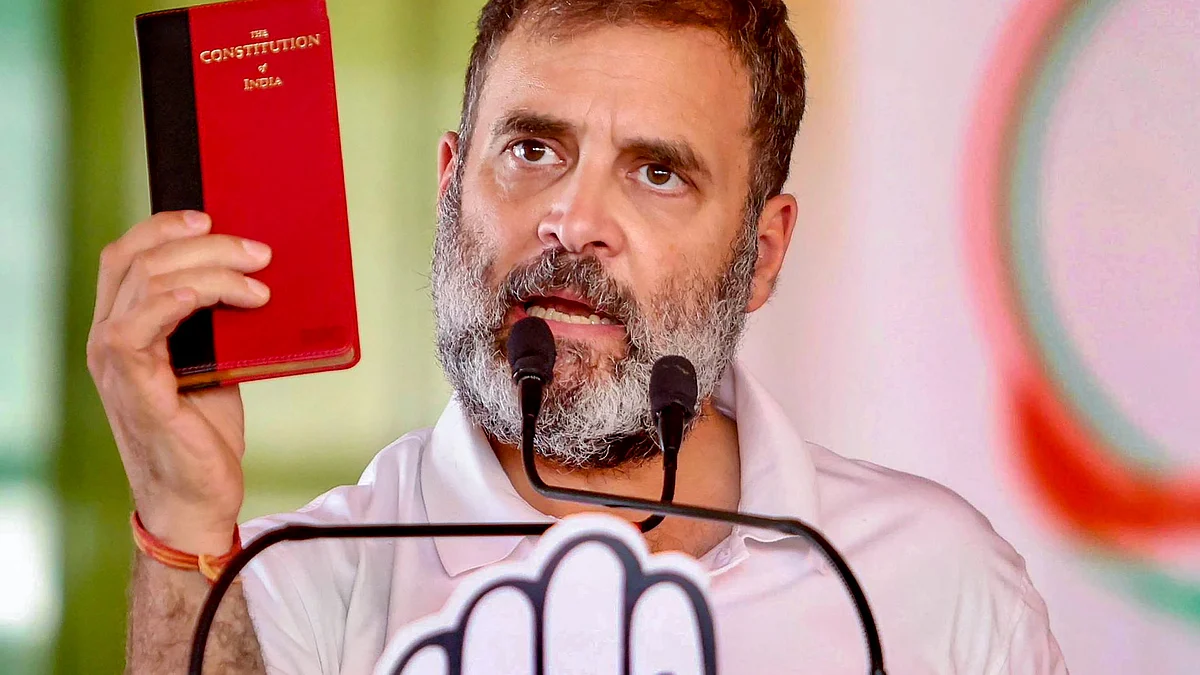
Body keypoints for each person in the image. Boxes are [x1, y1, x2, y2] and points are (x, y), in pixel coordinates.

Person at [88, 0, 1068, 672]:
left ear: (762, 254)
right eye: (531, 148)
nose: (572, 219)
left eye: (657, 173)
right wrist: (182, 518)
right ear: (449, 188)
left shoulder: (935, 581)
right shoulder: (276, 586)